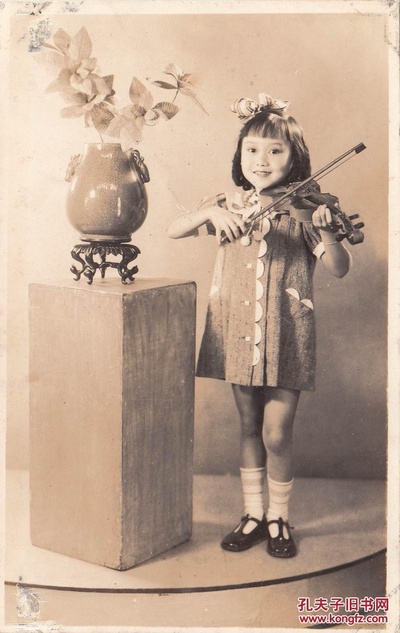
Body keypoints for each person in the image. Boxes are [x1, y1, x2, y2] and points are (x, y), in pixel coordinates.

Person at [167, 93, 351, 558]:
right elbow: (174, 228)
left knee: (276, 434)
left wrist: (327, 229)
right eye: (251, 149)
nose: (261, 160)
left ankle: (278, 517)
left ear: (295, 158)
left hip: (287, 335)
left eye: (275, 150)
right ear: (239, 154)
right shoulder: (229, 204)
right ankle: (252, 515)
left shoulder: (304, 211)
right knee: (249, 426)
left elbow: (339, 268)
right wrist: (209, 213)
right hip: (239, 334)